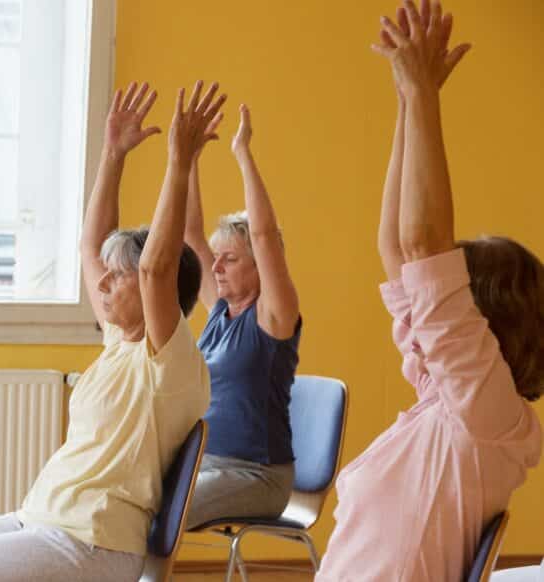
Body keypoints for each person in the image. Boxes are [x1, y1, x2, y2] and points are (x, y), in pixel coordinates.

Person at [0, 80, 215, 582]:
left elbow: (156, 268)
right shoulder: (123, 341)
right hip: (40, 519)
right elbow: (90, 246)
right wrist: (113, 154)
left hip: (93, 542)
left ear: (151, 293)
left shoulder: (171, 361)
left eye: (119, 275)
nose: (102, 281)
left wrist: (180, 162)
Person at [317, 2, 543, 579]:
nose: (425, 292)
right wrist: (404, 99)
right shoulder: (448, 399)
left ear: (481, 316)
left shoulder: (487, 414)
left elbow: (421, 247)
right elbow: (399, 251)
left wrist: (425, 98)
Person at [182, 101, 301, 528]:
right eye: (216, 259)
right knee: (126, 502)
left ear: (259, 265)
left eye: (229, 259)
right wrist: (190, 159)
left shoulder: (274, 316)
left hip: (258, 475)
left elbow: (266, 235)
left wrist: (241, 153)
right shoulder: (220, 310)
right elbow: (190, 237)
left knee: (160, 516)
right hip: (207, 464)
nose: (215, 267)